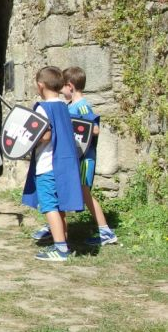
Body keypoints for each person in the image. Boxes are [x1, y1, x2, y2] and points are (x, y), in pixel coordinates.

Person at [31, 66, 118, 246]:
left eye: (62, 86)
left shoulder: (82, 106)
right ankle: (57, 230)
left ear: (70, 86)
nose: (60, 90)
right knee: (65, 194)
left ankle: (105, 231)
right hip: (71, 158)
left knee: (84, 193)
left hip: (84, 158)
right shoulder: (67, 106)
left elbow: (93, 128)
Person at [23, 66, 84, 261]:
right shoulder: (63, 106)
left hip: (48, 164)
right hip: (64, 164)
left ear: (40, 85)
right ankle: (63, 240)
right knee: (60, 206)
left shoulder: (43, 107)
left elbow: (46, 134)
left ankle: (60, 249)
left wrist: (28, 139)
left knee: (49, 206)